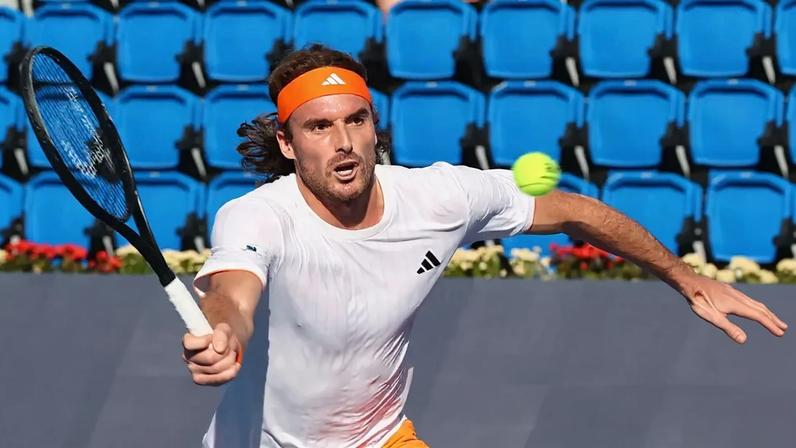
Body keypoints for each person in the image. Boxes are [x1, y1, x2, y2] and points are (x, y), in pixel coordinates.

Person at [183, 44, 788, 448]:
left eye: (356, 120)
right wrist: (227, 332)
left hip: (381, 439)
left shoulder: (440, 196)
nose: (343, 142)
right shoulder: (259, 215)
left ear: (374, 127)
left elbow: (573, 212)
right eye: (319, 127)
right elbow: (234, 294)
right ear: (289, 146)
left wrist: (688, 278)